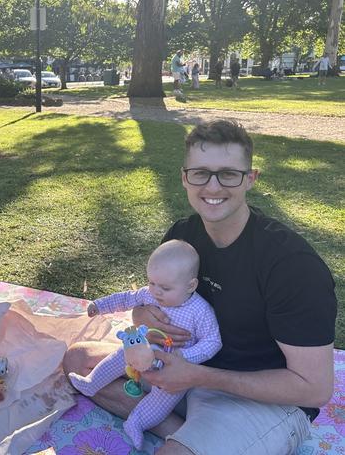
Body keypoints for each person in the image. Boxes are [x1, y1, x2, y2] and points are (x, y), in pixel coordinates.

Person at [63, 120, 336, 455]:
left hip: (256, 398)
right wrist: (144, 315)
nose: (213, 186)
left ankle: (190, 440)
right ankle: (177, 430)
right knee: (78, 359)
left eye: (229, 174)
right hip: (175, 374)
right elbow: (150, 306)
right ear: (184, 177)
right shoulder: (183, 237)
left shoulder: (291, 265)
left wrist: (199, 376)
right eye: (201, 173)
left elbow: (315, 389)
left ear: (251, 179)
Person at [68, 240, 221, 450]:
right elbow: (126, 299)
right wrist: (100, 305)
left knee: (166, 396)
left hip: (174, 366)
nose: (156, 292)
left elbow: (213, 342)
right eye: (151, 283)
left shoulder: (200, 311)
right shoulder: (150, 294)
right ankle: (91, 382)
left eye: (165, 288)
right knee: (124, 352)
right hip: (147, 352)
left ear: (191, 286)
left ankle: (137, 422)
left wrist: (185, 357)